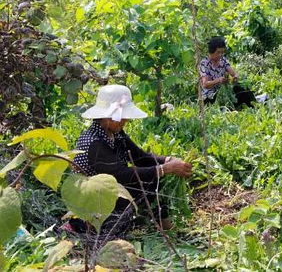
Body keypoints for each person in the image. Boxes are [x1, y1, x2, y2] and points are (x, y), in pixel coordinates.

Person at [67, 85, 192, 235]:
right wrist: (165, 169)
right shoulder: (95, 141)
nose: (124, 121)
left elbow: (140, 157)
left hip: (112, 189)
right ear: (106, 117)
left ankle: (164, 225)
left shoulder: (116, 133)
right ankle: (84, 226)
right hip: (95, 199)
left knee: (153, 179)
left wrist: (168, 160)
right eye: (121, 117)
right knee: (150, 178)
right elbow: (119, 175)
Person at [199, 36, 256, 108]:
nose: (220, 55)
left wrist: (235, 77)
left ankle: (254, 106)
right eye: (218, 52)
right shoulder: (204, 64)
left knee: (242, 90)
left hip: (224, 92)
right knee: (225, 104)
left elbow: (233, 73)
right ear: (211, 51)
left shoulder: (223, 60)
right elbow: (205, 84)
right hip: (210, 96)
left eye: (222, 52)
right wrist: (218, 80)